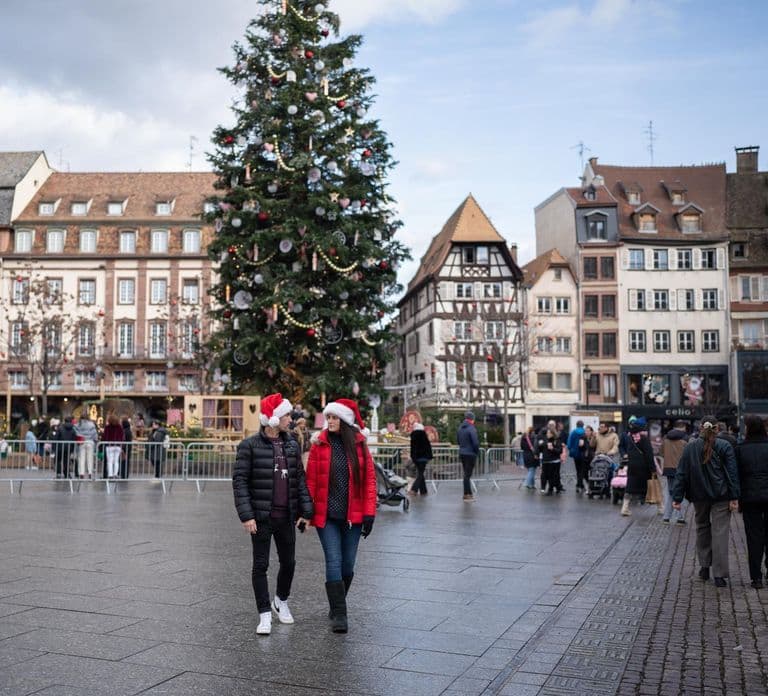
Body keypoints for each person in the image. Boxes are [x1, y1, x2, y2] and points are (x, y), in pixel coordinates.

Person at [233, 393, 313, 636]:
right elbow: (240, 482)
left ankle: (281, 600)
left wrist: (306, 511)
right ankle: (264, 614)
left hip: (286, 516)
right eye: (286, 415)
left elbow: (299, 480)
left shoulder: (291, 444)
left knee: (289, 562)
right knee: (260, 565)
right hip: (261, 517)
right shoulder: (249, 446)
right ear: (274, 419)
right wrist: (247, 515)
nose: (291, 419)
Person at [306, 398, 376, 633]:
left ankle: (337, 603)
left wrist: (369, 514)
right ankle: (339, 614)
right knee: (334, 561)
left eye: (334, 417)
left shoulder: (359, 446)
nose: (330, 421)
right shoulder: (319, 445)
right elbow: (311, 481)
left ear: (344, 420)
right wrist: (306, 512)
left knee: (348, 565)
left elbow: (369, 482)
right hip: (327, 517)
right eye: (328, 417)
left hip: (352, 517)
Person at [672, 416, 740, 588]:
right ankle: (719, 574)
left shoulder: (690, 447)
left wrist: (677, 498)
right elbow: (732, 474)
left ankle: (704, 566)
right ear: (717, 429)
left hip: (699, 495)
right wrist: (734, 496)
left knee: (702, 528)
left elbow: (681, 473)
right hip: (721, 496)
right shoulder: (725, 446)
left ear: (701, 427)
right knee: (720, 532)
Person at [735, 415, 768, 589]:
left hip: (749, 498)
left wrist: (737, 497)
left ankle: (756, 577)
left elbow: (736, 475)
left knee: (754, 538)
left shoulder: (741, 449)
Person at [621, 416, 655, 516]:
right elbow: (649, 455)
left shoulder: (630, 437)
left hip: (632, 467)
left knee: (630, 487)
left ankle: (625, 508)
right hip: (644, 468)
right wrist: (653, 469)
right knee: (652, 486)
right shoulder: (644, 438)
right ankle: (661, 507)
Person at [661, 421, 689, 524]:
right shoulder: (686, 439)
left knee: (671, 493)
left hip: (668, 469)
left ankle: (666, 517)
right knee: (681, 493)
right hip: (681, 469)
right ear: (684, 427)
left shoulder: (666, 438)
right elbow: (688, 456)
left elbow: (661, 452)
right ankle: (680, 518)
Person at [457, 410, 480, 502]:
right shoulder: (471, 428)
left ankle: (469, 493)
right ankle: (467, 494)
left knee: (466, 474)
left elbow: (458, 440)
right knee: (467, 475)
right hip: (470, 453)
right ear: (472, 419)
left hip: (462, 452)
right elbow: (475, 442)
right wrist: (476, 451)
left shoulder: (460, 428)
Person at [538, 424, 565, 495]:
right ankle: (549, 488)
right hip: (545, 461)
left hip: (554, 461)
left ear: (552, 434)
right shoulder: (545, 440)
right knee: (545, 475)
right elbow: (541, 450)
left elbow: (560, 451)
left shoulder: (557, 440)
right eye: (547, 433)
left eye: (549, 433)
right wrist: (540, 445)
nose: (547, 434)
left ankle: (551, 489)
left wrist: (553, 449)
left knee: (553, 476)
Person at [409, 422, 433, 496]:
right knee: (420, 473)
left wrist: (413, 457)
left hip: (416, 458)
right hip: (424, 457)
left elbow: (412, 448)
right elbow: (428, 447)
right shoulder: (424, 436)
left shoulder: (413, 436)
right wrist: (430, 456)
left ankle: (423, 490)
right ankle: (414, 489)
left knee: (420, 473)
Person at [567, 420, 589, 493]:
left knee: (578, 470)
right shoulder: (585, 432)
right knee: (582, 470)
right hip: (583, 454)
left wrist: (571, 449)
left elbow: (569, 444)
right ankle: (580, 485)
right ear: (583, 425)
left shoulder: (573, 432)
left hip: (575, 454)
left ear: (576, 425)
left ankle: (579, 485)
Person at [101, 414, 124, 480]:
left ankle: (110, 474)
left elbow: (105, 436)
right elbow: (122, 436)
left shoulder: (107, 427)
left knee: (110, 461)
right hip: (118, 445)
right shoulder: (120, 427)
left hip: (109, 445)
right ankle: (115, 474)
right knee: (116, 461)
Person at [76, 414, 98, 479]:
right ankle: (90, 473)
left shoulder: (78, 424)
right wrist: (96, 439)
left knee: (81, 458)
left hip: (82, 442)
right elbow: (94, 433)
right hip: (90, 441)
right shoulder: (91, 424)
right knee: (90, 458)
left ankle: (81, 473)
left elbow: (76, 432)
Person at [520, 425, 538, 490]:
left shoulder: (523, 438)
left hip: (525, 455)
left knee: (530, 470)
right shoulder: (534, 438)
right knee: (532, 470)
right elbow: (536, 447)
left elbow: (522, 447)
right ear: (533, 431)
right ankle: (527, 483)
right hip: (532, 455)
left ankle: (532, 485)